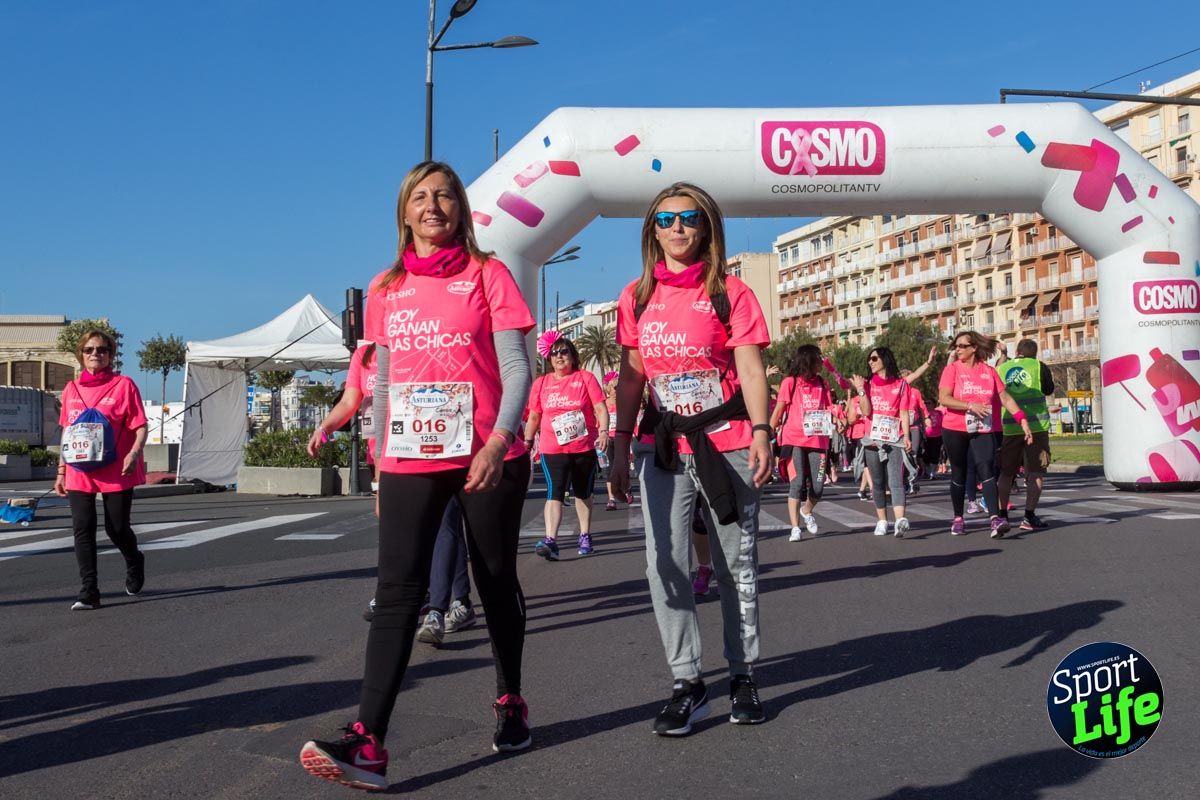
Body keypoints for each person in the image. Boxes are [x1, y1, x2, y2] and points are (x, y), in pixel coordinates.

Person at [300, 161, 535, 791]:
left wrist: (500, 440)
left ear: (461, 209)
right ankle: (368, 741)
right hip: (409, 455)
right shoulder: (385, 287)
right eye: (421, 197)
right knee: (398, 591)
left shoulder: (489, 274)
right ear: (404, 213)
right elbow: (382, 380)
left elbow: (518, 370)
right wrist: (379, 467)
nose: (434, 205)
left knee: (493, 580)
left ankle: (510, 697)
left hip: (487, 453)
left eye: (445, 196)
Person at [609, 182, 772, 736]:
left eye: (689, 218)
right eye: (665, 219)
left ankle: (743, 674)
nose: (677, 228)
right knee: (665, 564)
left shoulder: (730, 292)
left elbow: (751, 370)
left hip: (725, 442)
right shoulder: (634, 297)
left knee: (735, 566)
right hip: (663, 447)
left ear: (707, 228)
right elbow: (631, 378)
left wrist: (763, 430)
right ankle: (688, 681)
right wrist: (619, 442)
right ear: (651, 231)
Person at [54, 329, 148, 611]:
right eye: (90, 350)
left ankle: (134, 561)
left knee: (117, 528)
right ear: (81, 355)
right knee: (83, 527)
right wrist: (61, 470)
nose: (96, 354)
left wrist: (134, 453)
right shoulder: (71, 389)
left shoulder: (124, 385)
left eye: (102, 350)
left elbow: (140, 425)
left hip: (117, 468)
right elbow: (67, 432)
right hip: (79, 470)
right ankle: (89, 590)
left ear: (111, 355)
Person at [938, 330, 1033, 538]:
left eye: (962, 346)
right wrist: (969, 405)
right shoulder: (952, 370)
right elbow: (944, 398)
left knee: (986, 469)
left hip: (982, 428)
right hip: (954, 428)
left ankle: (995, 519)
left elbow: (1006, 398)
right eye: (956, 345)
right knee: (959, 473)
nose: (958, 349)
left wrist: (1022, 419)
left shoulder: (989, 372)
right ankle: (958, 519)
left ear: (974, 348)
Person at [524, 335, 608, 559]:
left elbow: (600, 408)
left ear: (572, 356)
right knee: (554, 493)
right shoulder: (541, 383)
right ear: (549, 358)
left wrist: (603, 431)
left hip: (583, 448)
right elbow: (534, 416)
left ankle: (585, 534)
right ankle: (551, 539)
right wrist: (527, 441)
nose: (559, 356)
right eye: (555, 353)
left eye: (564, 352)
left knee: (583, 493)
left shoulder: (585, 378)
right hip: (553, 449)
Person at [769, 344, 833, 540]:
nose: (821, 361)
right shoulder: (790, 382)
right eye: (818, 358)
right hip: (793, 439)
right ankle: (795, 527)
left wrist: (838, 419)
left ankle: (807, 511)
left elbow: (829, 408)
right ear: (808, 360)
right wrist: (767, 432)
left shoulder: (823, 383)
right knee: (796, 484)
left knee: (819, 486)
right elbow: (778, 411)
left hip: (818, 440)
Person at [848, 347, 912, 537]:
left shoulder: (901, 385)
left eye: (874, 358)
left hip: (894, 438)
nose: (871, 362)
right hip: (872, 440)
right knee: (877, 482)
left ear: (885, 359)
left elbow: (903, 412)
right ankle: (882, 520)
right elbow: (866, 412)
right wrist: (860, 390)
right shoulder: (867, 384)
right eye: (869, 359)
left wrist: (907, 436)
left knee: (896, 480)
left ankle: (900, 520)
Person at [996, 338, 1055, 531]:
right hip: (1036, 428)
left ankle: (1002, 515)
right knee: (1035, 474)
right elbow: (1048, 389)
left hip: (1010, 428)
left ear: (1018, 351)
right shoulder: (1039, 366)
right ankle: (1029, 517)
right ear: (1035, 353)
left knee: (1006, 473)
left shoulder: (1003, 369)